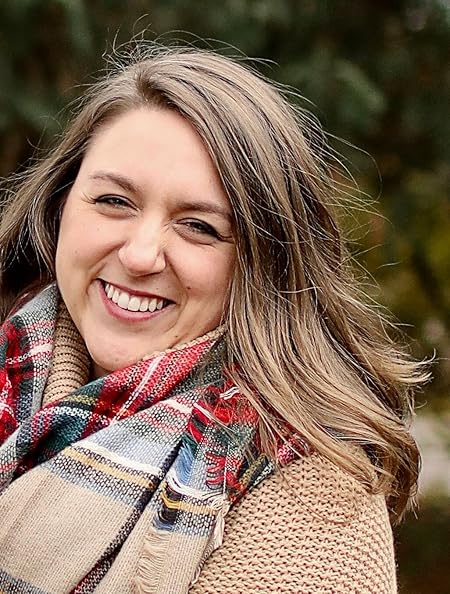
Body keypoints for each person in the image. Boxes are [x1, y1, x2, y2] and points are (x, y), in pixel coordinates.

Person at [0, 45, 427, 594]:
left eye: (199, 226)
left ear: (264, 264)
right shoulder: (16, 364)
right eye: (113, 201)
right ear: (60, 204)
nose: (140, 254)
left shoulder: (313, 516)